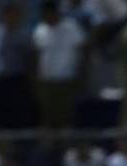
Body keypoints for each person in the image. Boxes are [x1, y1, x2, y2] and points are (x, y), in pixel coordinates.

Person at [33, 0, 85, 129]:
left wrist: (81, 74)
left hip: (66, 79)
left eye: (49, 14)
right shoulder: (40, 30)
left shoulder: (71, 27)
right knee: (47, 116)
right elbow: (37, 55)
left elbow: (82, 50)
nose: (47, 18)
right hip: (46, 80)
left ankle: (66, 141)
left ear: (55, 13)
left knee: (66, 115)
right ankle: (49, 141)